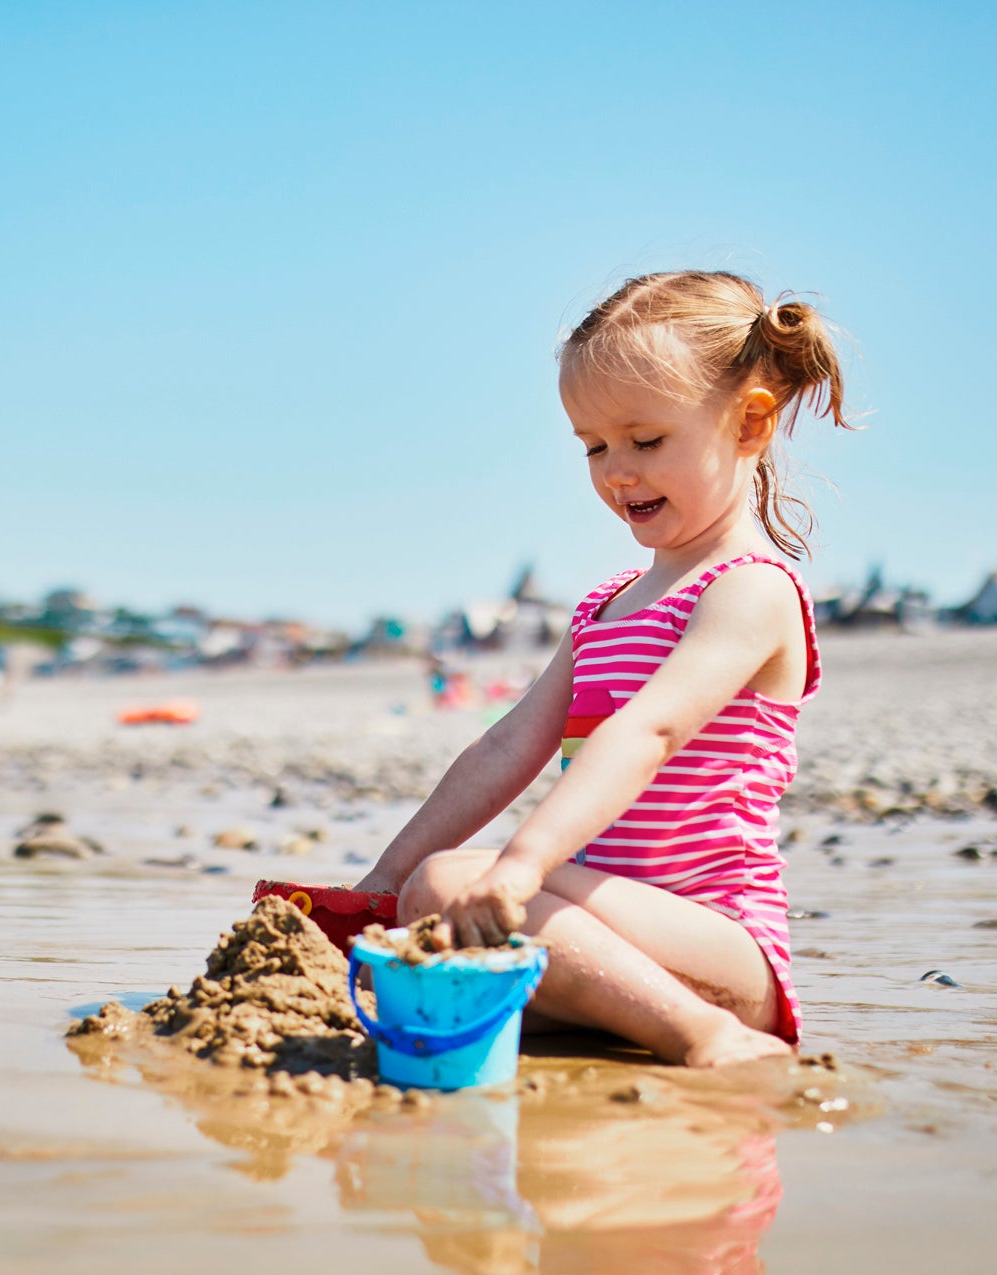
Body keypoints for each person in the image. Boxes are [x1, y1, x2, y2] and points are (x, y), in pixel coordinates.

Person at [353, 271, 854, 1068]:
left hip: (718, 945)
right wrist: (381, 877)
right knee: (421, 943)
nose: (617, 471)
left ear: (750, 424)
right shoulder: (605, 607)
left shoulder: (751, 589)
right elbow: (504, 747)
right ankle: (604, 1021)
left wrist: (522, 862)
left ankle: (708, 1036)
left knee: (448, 889)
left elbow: (648, 731)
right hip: (596, 934)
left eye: (646, 441)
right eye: (593, 447)